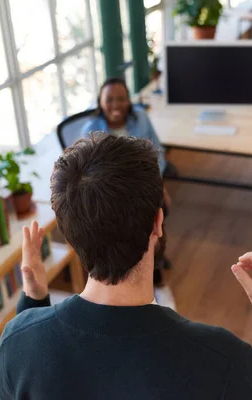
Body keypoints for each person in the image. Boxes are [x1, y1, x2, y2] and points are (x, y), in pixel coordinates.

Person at [0, 134, 252, 399]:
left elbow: (28, 359)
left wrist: (33, 303)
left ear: (69, 233)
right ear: (158, 222)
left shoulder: (16, 342)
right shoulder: (224, 361)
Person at [81, 77, 173, 293]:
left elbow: (157, 153)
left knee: (160, 210)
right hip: (109, 193)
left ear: (129, 101)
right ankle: (140, 262)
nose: (116, 105)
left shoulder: (141, 118)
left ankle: (153, 259)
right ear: (100, 102)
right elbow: (86, 170)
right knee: (129, 222)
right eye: (109, 99)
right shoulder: (90, 130)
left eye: (121, 99)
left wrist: (159, 184)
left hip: (143, 185)